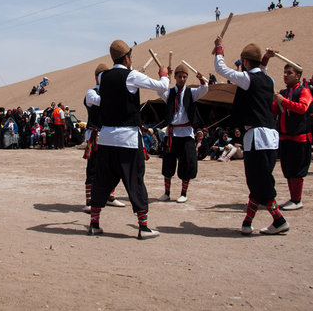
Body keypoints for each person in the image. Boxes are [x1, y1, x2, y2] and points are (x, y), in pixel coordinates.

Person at [88, 39, 169, 239]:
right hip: (127, 139)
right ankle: (143, 227)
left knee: (102, 180)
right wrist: (164, 74)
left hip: (106, 137)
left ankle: (94, 223)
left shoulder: (104, 77)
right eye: (130, 57)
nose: (132, 59)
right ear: (126, 58)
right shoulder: (131, 75)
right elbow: (162, 87)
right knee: (135, 180)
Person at [213, 36, 290, 235]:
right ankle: (247, 222)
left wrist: (219, 48)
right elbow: (261, 71)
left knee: (260, 181)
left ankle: (279, 219)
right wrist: (265, 59)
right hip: (271, 137)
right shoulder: (268, 79)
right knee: (258, 180)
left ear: (245, 62)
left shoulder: (247, 79)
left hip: (257, 137)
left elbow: (222, 70)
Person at [157, 63, 208, 203]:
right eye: (179, 76)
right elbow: (160, 91)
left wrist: (201, 79)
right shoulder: (170, 93)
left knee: (187, 163)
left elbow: (204, 89)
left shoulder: (191, 93)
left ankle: (183, 194)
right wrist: (163, 76)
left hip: (186, 134)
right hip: (171, 134)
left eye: (185, 77)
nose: (182, 79)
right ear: (175, 77)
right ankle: (167, 193)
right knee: (168, 163)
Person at [83, 63, 126, 212]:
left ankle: (110, 196)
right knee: (93, 169)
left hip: (111, 136)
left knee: (115, 167)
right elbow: (103, 102)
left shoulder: (111, 93)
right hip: (95, 136)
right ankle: (89, 201)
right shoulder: (91, 93)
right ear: (96, 77)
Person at [273, 63, 313, 211]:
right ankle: (293, 198)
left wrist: (283, 101)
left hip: (299, 138)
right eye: (284, 72)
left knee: (296, 170)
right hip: (285, 137)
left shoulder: (304, 91)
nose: (285, 75)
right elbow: (275, 111)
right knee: (288, 169)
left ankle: (297, 200)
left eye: (289, 73)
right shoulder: (284, 91)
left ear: (297, 76)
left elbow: (302, 108)